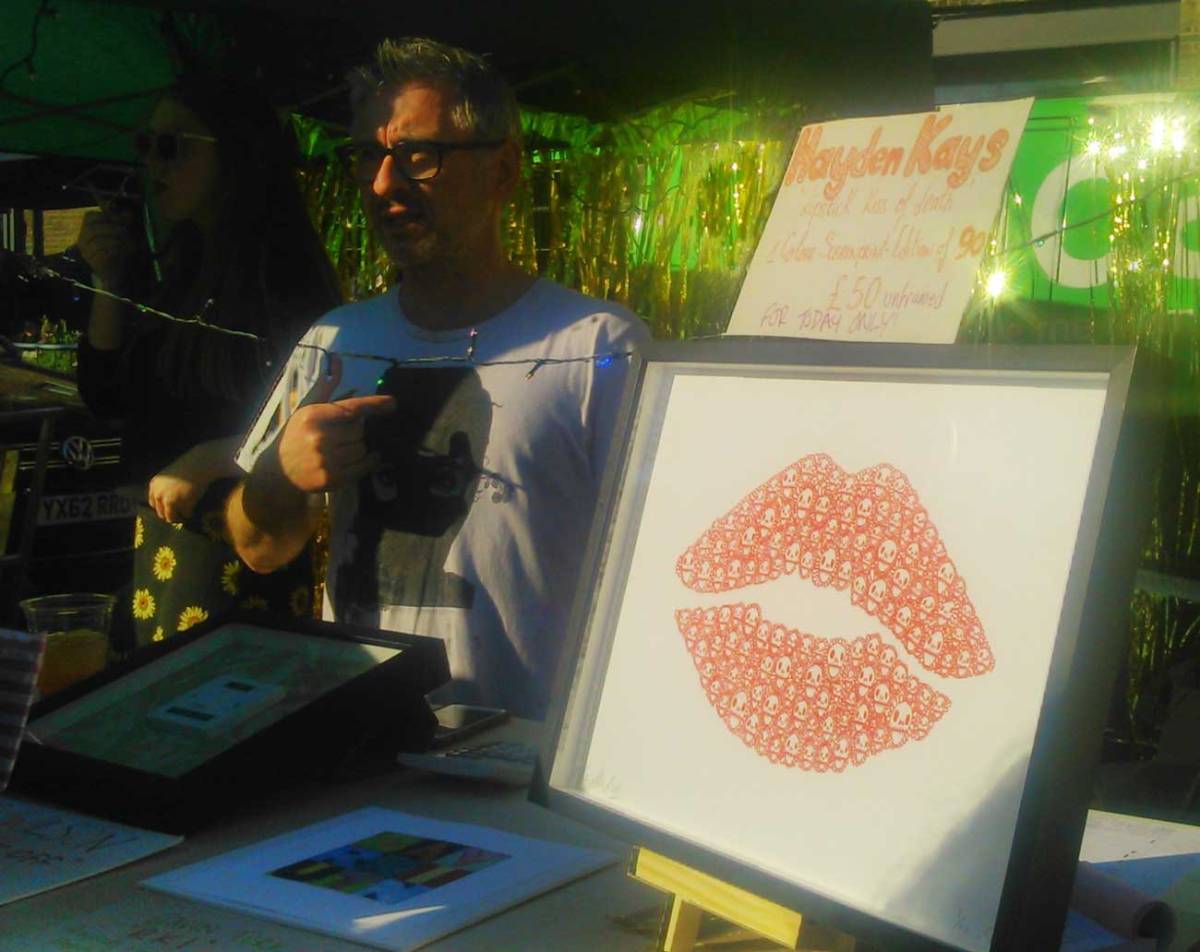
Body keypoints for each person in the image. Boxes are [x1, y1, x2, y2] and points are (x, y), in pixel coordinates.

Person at [227, 37, 650, 720]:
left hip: (525, 754)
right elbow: (259, 550)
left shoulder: (598, 346)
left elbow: (653, 572)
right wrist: (280, 472)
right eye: (366, 156)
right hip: (365, 742)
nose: (382, 185)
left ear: (502, 170)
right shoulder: (336, 342)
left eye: (417, 156)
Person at [75, 73, 342, 648]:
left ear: (235, 153)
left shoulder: (282, 278)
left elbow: (317, 419)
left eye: (172, 146)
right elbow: (106, 397)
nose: (153, 165)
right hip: (163, 549)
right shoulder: (184, 265)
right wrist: (108, 281)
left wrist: (211, 459)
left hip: (241, 555)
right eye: (145, 146)